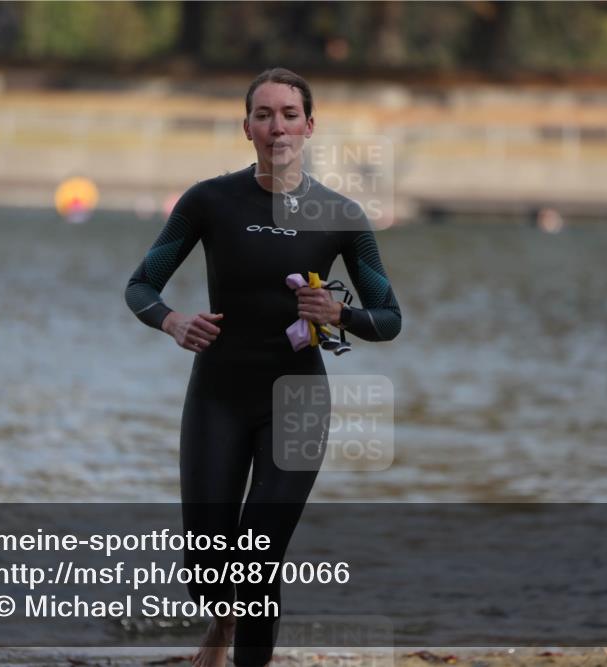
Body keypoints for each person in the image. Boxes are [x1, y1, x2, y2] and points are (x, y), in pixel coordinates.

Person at [125, 67, 401, 667]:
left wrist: (338, 311)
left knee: (258, 558)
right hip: (217, 396)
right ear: (246, 127)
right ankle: (219, 624)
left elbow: (389, 317)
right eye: (263, 114)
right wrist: (172, 321)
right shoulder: (208, 201)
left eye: (289, 114)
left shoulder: (342, 214)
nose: (277, 126)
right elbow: (142, 285)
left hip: (297, 400)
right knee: (206, 567)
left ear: (309, 125)